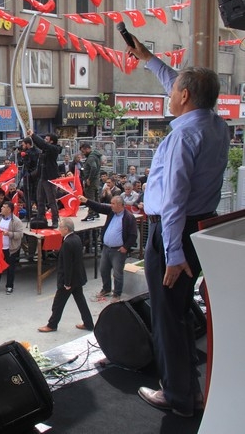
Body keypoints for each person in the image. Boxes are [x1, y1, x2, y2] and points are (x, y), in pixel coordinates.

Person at [127, 36, 230, 417]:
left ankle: (179, 398)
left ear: (184, 96)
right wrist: (150, 59)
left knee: (167, 315)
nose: (169, 94)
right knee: (181, 310)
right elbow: (181, 84)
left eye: (174, 91)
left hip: (173, 235)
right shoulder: (218, 125)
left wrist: (171, 254)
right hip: (198, 229)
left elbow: (172, 204)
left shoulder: (182, 137)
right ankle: (190, 388)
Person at [38, 218, 94, 333]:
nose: (59, 229)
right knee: (80, 301)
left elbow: (68, 265)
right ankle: (88, 323)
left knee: (58, 303)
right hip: (78, 277)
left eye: (60, 227)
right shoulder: (76, 238)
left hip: (69, 280)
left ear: (66, 229)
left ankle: (52, 324)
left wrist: (67, 283)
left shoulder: (68, 242)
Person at [79, 195, 137, 301]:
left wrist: (126, 247)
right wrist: (87, 201)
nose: (111, 205)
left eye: (113, 204)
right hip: (106, 248)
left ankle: (117, 294)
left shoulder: (128, 217)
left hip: (118, 250)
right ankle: (106, 289)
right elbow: (99, 207)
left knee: (117, 273)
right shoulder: (111, 212)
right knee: (104, 270)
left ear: (120, 205)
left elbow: (133, 235)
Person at [0, 202, 24, 295]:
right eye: (2, 206)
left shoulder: (16, 221)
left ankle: (9, 286)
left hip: (10, 249)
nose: (1, 208)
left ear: (9, 210)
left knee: (10, 268)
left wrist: (9, 234)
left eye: (4, 207)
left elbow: (20, 234)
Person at [27, 129, 62, 228]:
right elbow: (41, 145)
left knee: (51, 200)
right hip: (42, 177)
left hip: (49, 177)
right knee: (40, 199)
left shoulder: (53, 149)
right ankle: (41, 218)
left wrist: (33, 135)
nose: (45, 140)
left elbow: (43, 144)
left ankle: (55, 219)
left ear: (51, 141)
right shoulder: (45, 150)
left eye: (47, 139)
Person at [80, 142, 101, 221]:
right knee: (95, 197)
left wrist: (89, 179)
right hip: (96, 180)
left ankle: (91, 214)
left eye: (83, 151)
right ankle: (96, 212)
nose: (83, 153)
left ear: (87, 149)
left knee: (90, 197)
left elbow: (94, 167)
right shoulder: (96, 156)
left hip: (91, 181)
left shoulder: (91, 157)